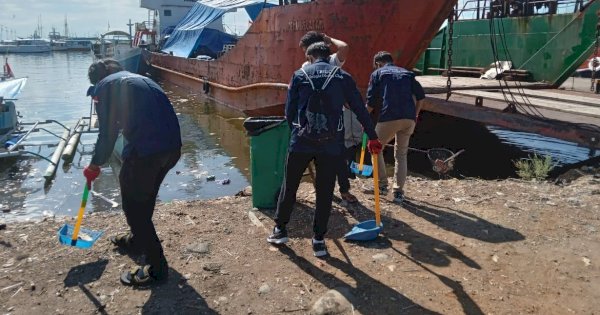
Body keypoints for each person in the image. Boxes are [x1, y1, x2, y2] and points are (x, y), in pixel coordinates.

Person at [267, 42, 382, 257]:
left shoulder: (299, 75)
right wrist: (373, 137)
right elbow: (359, 109)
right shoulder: (343, 77)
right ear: (328, 56)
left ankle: (280, 230)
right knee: (325, 190)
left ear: (309, 56)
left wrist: (296, 131)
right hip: (331, 145)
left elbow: (289, 112)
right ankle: (319, 240)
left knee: (290, 185)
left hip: (301, 142)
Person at [83, 59, 182, 286]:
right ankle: (138, 240)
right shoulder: (138, 78)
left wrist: (94, 165)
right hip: (172, 148)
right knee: (143, 197)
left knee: (134, 207)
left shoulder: (103, 87)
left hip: (147, 151)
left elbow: (107, 134)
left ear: (96, 79)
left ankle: (157, 268)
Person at [299, 31, 359, 202]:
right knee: (323, 155)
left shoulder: (331, 60)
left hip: (330, 119)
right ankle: (324, 188)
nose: (304, 53)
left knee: (337, 155)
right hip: (319, 117)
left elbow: (344, 47)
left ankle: (343, 189)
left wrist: (329, 39)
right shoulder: (305, 67)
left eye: (305, 49)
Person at [365, 51, 425, 204]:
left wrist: (363, 117)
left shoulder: (378, 73)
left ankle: (382, 186)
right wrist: (415, 115)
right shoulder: (407, 73)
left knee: (374, 148)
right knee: (401, 154)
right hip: (409, 118)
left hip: (389, 116)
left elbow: (371, 102)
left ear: (378, 63)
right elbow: (421, 97)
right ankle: (398, 192)